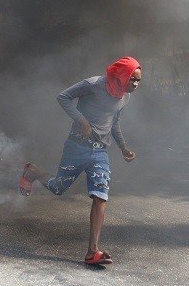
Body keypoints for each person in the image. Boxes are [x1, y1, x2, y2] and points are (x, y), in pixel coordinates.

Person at [19, 56, 141, 265]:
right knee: (58, 187)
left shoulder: (124, 97)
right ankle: (33, 172)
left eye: (138, 80)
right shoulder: (93, 84)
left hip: (100, 152)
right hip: (77, 147)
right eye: (133, 79)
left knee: (100, 196)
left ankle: (92, 251)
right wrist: (81, 119)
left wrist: (123, 147)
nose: (136, 84)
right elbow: (63, 97)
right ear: (121, 76)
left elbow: (114, 123)